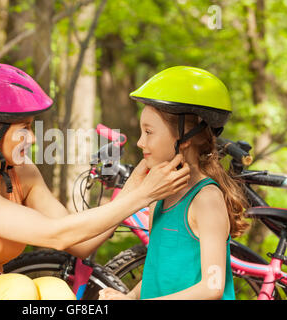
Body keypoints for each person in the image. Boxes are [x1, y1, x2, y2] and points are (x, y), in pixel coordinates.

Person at [0, 63, 191, 300]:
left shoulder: (21, 172)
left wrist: (136, 187)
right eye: (24, 129)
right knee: (17, 288)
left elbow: (80, 243)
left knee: (54, 290)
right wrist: (142, 197)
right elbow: (56, 234)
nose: (33, 138)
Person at [99, 66, 250, 300]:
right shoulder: (161, 196)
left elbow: (212, 287)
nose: (140, 142)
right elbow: (158, 272)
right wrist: (129, 297)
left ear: (185, 138)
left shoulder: (206, 199)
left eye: (148, 132)